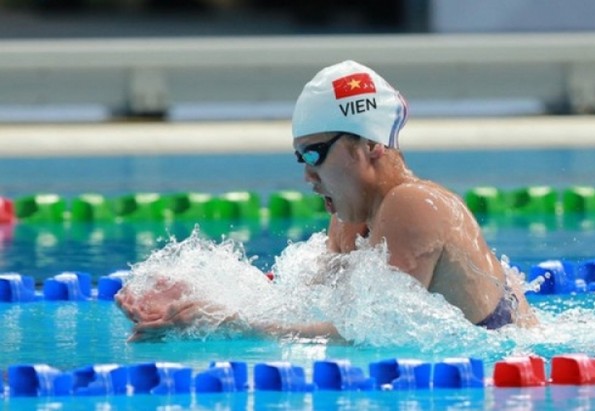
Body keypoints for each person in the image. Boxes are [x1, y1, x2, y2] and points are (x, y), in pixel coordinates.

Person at [116, 60, 536, 342]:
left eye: (315, 153)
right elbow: (296, 299)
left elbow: (371, 333)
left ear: (368, 144)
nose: (306, 173)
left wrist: (230, 326)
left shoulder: (415, 205)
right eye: (301, 157)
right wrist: (199, 296)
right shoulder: (350, 220)